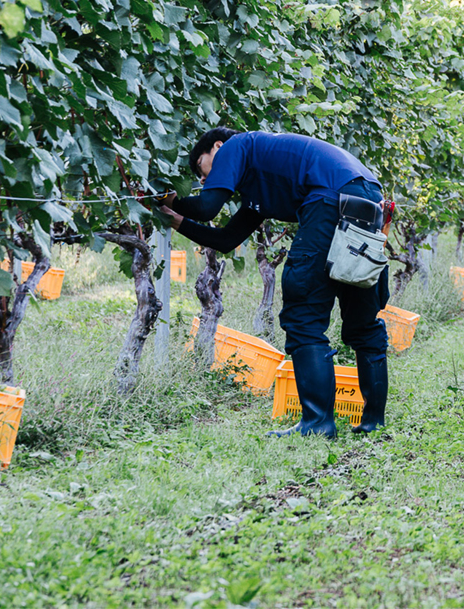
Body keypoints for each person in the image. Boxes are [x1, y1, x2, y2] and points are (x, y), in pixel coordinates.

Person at [158, 127, 390, 439]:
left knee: (303, 313)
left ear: (216, 146)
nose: (203, 181)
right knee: (362, 320)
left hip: (330, 197)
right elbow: (227, 239)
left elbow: (207, 206)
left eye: (202, 169)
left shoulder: (237, 144)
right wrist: (178, 222)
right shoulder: (260, 185)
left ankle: (318, 424)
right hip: (367, 196)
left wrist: (172, 200)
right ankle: (373, 422)